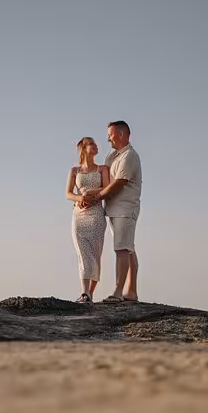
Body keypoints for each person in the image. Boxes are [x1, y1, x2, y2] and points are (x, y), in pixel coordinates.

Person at [83, 121, 142, 303]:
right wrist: (86, 195)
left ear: (123, 135)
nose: (108, 138)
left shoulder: (129, 156)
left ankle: (118, 292)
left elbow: (117, 185)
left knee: (122, 249)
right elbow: (106, 181)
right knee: (128, 248)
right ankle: (131, 292)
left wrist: (96, 196)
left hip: (126, 208)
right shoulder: (112, 156)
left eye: (111, 134)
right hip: (113, 210)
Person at [65, 137, 110, 303]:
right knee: (83, 253)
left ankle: (90, 292)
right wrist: (79, 198)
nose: (96, 145)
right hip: (79, 216)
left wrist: (89, 194)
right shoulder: (74, 171)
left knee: (95, 254)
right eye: (92, 143)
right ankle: (85, 293)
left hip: (96, 214)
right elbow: (68, 193)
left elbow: (107, 188)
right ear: (83, 148)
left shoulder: (102, 169)